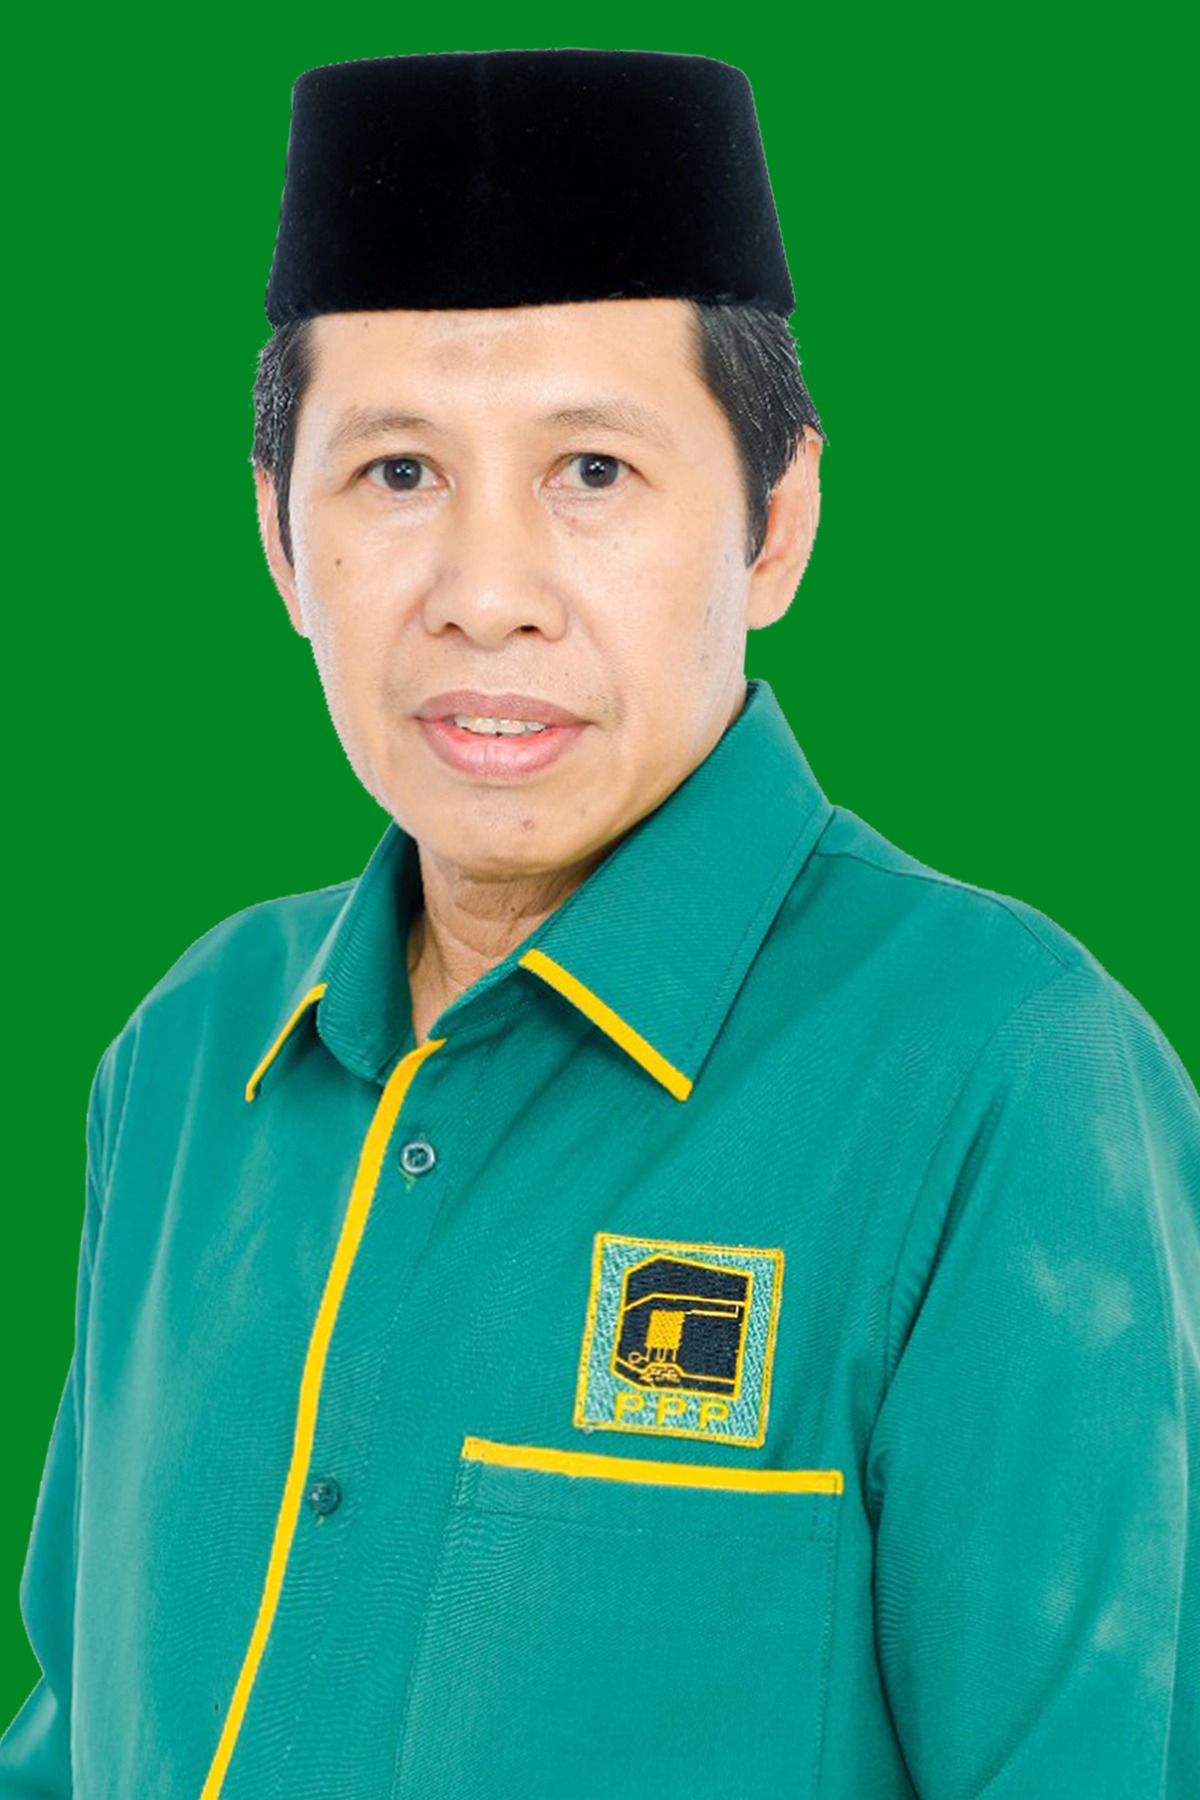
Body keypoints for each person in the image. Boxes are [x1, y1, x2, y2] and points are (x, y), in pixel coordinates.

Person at [1, 45, 1196, 1800]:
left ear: (777, 525)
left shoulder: (1001, 1073)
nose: (488, 596)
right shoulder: (189, 1057)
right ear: (277, 536)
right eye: (396, 474)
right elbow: (81, 1731)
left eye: (593, 471)